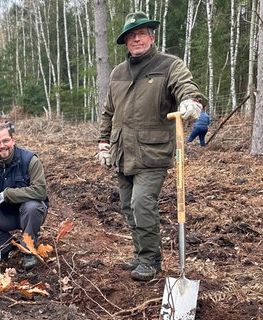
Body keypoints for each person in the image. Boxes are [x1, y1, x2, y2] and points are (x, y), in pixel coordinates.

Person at [98, 12, 206, 281]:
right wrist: (103, 142)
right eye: (131, 35)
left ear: (151, 36)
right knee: (127, 206)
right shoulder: (118, 73)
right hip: (122, 152)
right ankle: (140, 254)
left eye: (142, 33)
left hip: (153, 151)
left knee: (141, 204)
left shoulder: (169, 65)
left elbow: (185, 86)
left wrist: (190, 101)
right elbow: (108, 112)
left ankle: (150, 260)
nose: (137, 38)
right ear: (125, 42)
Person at [0, 123, 49, 270]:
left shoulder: (30, 160)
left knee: (32, 206)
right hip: (6, 216)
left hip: (30, 214)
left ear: (13, 140)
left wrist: (8, 194)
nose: (2, 146)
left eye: (6, 140)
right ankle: (5, 247)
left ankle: (28, 251)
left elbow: (40, 192)